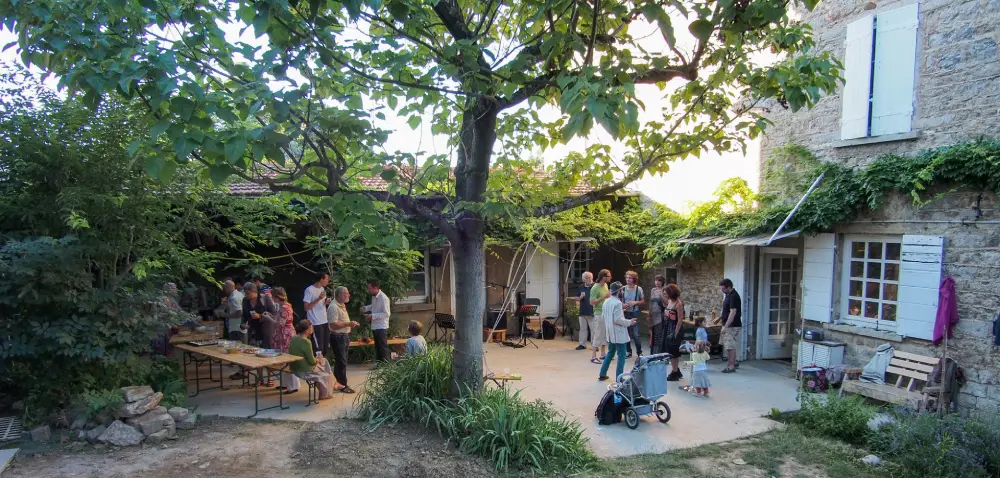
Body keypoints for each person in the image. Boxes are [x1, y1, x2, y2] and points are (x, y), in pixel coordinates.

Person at [286, 320, 338, 399]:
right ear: (307, 330)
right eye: (311, 327)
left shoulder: (294, 338)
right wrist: (317, 359)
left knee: (324, 363)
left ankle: (330, 386)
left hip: (294, 367)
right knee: (326, 369)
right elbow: (312, 361)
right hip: (304, 370)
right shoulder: (306, 342)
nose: (313, 329)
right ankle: (327, 391)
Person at [598, 282, 637, 381]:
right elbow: (618, 320)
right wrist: (630, 322)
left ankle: (602, 374)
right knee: (621, 356)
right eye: (621, 290)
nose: (622, 292)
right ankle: (619, 378)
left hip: (610, 333)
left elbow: (605, 316)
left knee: (610, 353)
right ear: (619, 291)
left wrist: (621, 312)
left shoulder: (606, 301)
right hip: (618, 334)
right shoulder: (618, 303)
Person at [328, 286, 360, 394]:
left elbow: (341, 321)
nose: (349, 295)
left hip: (344, 336)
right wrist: (348, 324)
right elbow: (333, 325)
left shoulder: (342, 305)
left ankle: (338, 383)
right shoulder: (333, 307)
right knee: (341, 361)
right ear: (340, 295)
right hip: (338, 337)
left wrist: (350, 324)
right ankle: (343, 385)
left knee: (342, 361)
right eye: (346, 293)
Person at [363, 280, 392, 362]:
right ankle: (379, 363)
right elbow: (374, 306)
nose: (368, 290)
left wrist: (372, 316)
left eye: (370, 288)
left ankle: (385, 365)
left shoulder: (384, 298)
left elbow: (387, 314)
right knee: (378, 346)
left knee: (383, 347)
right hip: (375, 325)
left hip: (382, 326)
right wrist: (365, 308)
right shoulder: (374, 296)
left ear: (375, 288)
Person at [303, 272, 331, 356]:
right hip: (315, 322)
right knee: (318, 348)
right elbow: (306, 307)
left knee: (325, 346)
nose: (327, 281)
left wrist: (326, 302)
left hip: (324, 320)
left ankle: (322, 366)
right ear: (321, 279)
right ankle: (316, 366)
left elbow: (320, 304)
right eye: (326, 279)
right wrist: (318, 298)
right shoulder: (309, 290)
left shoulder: (322, 289)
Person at [242, 282, 277, 348]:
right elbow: (244, 315)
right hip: (252, 332)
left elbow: (273, 314)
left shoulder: (265, 298)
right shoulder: (245, 300)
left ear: (254, 291)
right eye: (245, 293)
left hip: (266, 331)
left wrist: (260, 316)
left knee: (266, 351)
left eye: (247, 293)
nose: (246, 295)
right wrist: (243, 324)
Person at [662, 284, 685, 381]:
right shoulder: (669, 301)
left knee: (674, 351)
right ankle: (676, 370)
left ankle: (674, 372)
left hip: (675, 328)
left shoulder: (678, 303)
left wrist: (675, 333)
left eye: (666, 292)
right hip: (668, 327)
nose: (665, 294)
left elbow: (680, 319)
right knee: (670, 350)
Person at [719, 278, 742, 373]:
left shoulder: (733, 296)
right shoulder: (728, 295)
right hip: (729, 324)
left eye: (723, 289)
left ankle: (731, 366)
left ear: (729, 287)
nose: (722, 290)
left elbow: (733, 312)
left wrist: (726, 326)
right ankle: (734, 362)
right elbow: (727, 310)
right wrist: (719, 318)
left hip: (732, 325)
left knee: (730, 346)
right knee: (731, 345)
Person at [589, 269, 611, 364]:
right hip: (599, 313)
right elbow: (592, 302)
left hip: (606, 312)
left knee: (605, 334)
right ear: (603, 277)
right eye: (609, 276)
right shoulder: (595, 287)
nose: (610, 278)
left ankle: (603, 353)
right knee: (598, 334)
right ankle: (593, 356)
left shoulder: (605, 285)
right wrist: (604, 297)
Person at [621, 271, 645, 358]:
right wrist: (623, 305)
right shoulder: (623, 289)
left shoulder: (638, 289)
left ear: (634, 279)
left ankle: (639, 352)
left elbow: (643, 301)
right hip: (626, 313)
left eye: (630, 278)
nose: (628, 279)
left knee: (636, 334)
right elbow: (619, 301)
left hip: (635, 313)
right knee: (626, 334)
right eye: (627, 278)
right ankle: (628, 351)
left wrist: (635, 302)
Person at [575, 272, 595, 351]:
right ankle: (582, 344)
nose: (588, 279)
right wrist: (579, 298)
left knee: (593, 329)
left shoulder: (595, 286)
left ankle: (594, 345)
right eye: (586, 277)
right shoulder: (581, 287)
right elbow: (576, 297)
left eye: (590, 277)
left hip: (592, 311)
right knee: (583, 328)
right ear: (584, 279)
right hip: (583, 311)